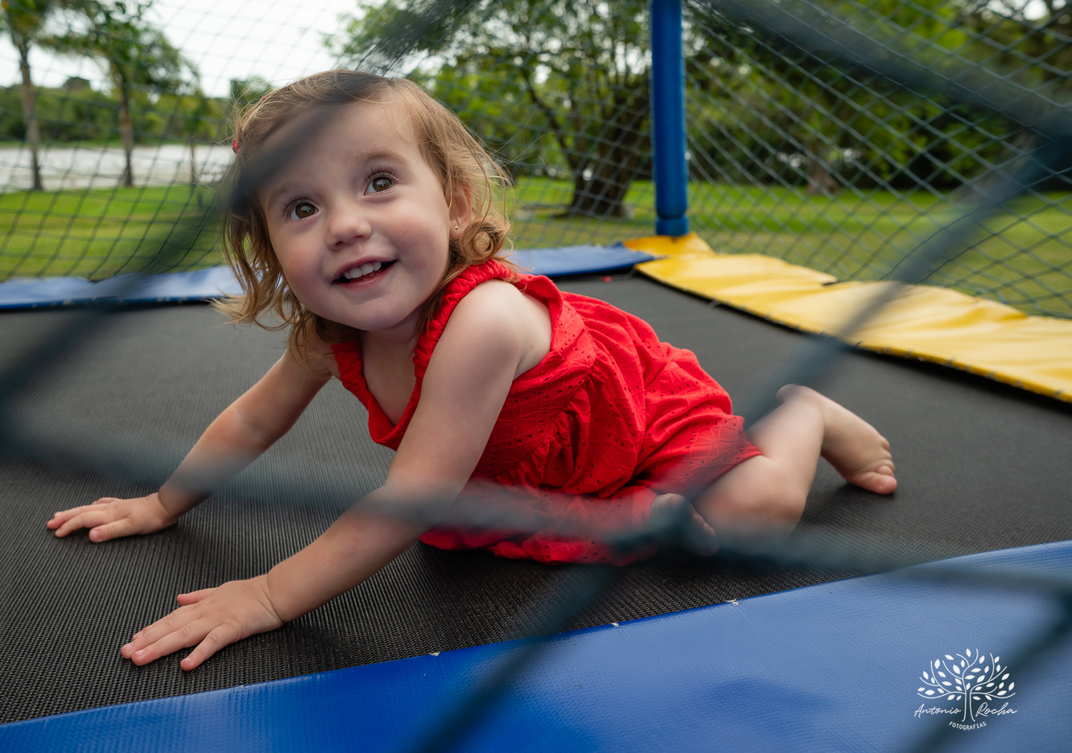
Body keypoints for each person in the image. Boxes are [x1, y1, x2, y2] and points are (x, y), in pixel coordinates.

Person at [47, 70, 896, 672]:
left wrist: (269, 594)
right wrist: (163, 502)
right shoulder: (324, 331)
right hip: (523, 469)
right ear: (270, 246)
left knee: (755, 511)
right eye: (301, 208)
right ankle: (627, 516)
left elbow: (407, 496)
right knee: (457, 524)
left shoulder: (481, 321)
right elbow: (252, 420)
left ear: (453, 203)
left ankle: (807, 414)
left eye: (379, 182)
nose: (344, 224)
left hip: (636, 419)